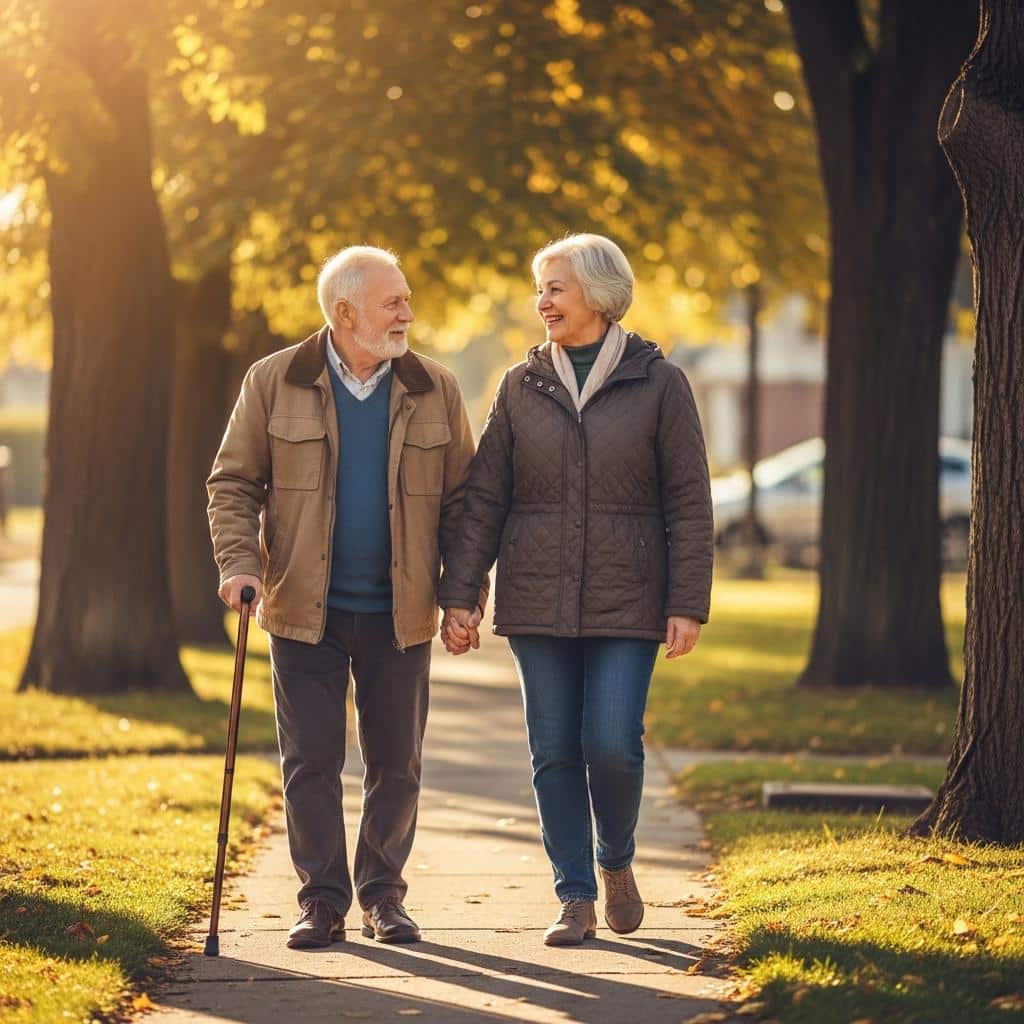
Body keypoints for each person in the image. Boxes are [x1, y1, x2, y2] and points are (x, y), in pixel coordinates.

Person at [438, 233, 713, 946]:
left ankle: (616, 859)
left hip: (630, 597)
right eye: (540, 289)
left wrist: (688, 602)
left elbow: (689, 500)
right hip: (536, 597)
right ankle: (575, 896)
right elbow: (485, 499)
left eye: (555, 287)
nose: (543, 302)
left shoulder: (660, 384)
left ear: (597, 292)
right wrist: (460, 595)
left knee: (613, 744)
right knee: (553, 748)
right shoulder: (517, 386)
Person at [207, 245, 484, 950]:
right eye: (394, 302)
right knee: (311, 761)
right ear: (345, 313)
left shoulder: (435, 387)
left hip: (401, 612)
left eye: (407, 299)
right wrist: (240, 566)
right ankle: (322, 900)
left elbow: (465, 506)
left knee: (397, 761)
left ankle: (383, 895)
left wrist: (461, 597)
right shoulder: (274, 381)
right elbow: (232, 484)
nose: (408, 314)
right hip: (304, 608)